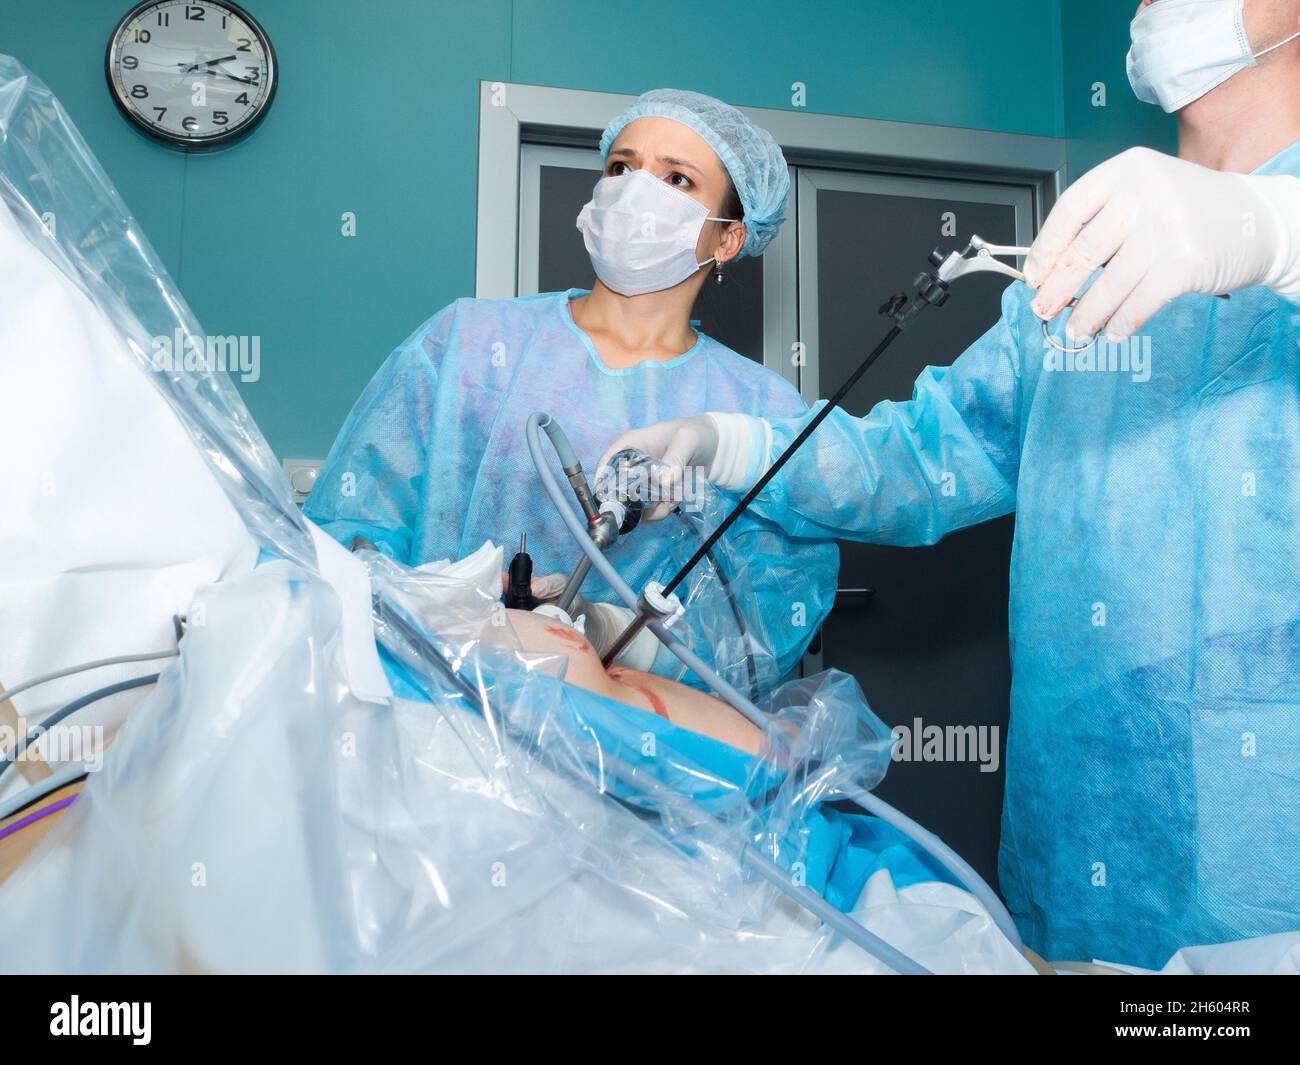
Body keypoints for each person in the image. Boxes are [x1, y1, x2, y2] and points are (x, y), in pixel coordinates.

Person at [599, 0, 1300, 966]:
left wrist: (1276, 231)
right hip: (1079, 829)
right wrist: (730, 443)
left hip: (1272, 865)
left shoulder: (1273, 232)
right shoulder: (1096, 245)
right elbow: (925, 457)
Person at [306, 89, 837, 687]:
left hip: (627, 745)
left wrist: (618, 634)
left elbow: (761, 629)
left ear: (728, 239)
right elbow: (353, 531)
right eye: (621, 167)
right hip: (429, 704)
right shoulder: (469, 342)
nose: (636, 189)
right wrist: (436, 611)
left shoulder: (759, 412)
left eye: (678, 180)